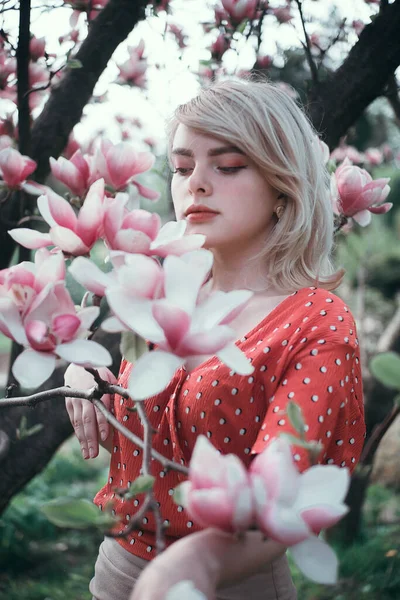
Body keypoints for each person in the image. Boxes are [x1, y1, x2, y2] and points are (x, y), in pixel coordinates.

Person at [65, 77, 366, 600]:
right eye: (182, 168)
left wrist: (185, 568)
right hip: (114, 573)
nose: (195, 184)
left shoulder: (317, 323)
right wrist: (91, 380)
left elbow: (283, 495)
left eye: (226, 166)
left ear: (283, 184)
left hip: (227, 582)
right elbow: (150, 435)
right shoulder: (166, 291)